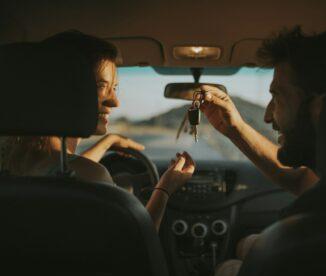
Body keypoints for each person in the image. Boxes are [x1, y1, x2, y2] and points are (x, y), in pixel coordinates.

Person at [202, 26, 326, 276]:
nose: (268, 115)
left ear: (322, 108)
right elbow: (299, 178)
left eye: (278, 97)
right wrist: (234, 128)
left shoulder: (303, 232)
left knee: (229, 270)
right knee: (249, 243)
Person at [0, 31, 195, 230]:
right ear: (60, 87)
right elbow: (134, 247)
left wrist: (107, 142)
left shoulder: (13, 161)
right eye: (101, 86)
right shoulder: (93, 176)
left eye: (115, 88)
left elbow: (66, 171)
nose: (115, 101)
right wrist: (164, 189)